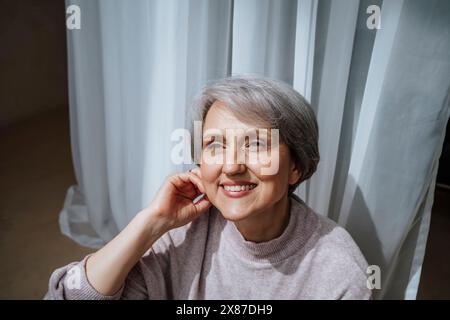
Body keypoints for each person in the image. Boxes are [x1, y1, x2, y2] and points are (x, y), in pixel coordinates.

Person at [45, 76, 371, 299]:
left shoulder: (338, 270)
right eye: (215, 145)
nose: (231, 166)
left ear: (296, 167)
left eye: (256, 144)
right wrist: (151, 222)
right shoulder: (185, 232)